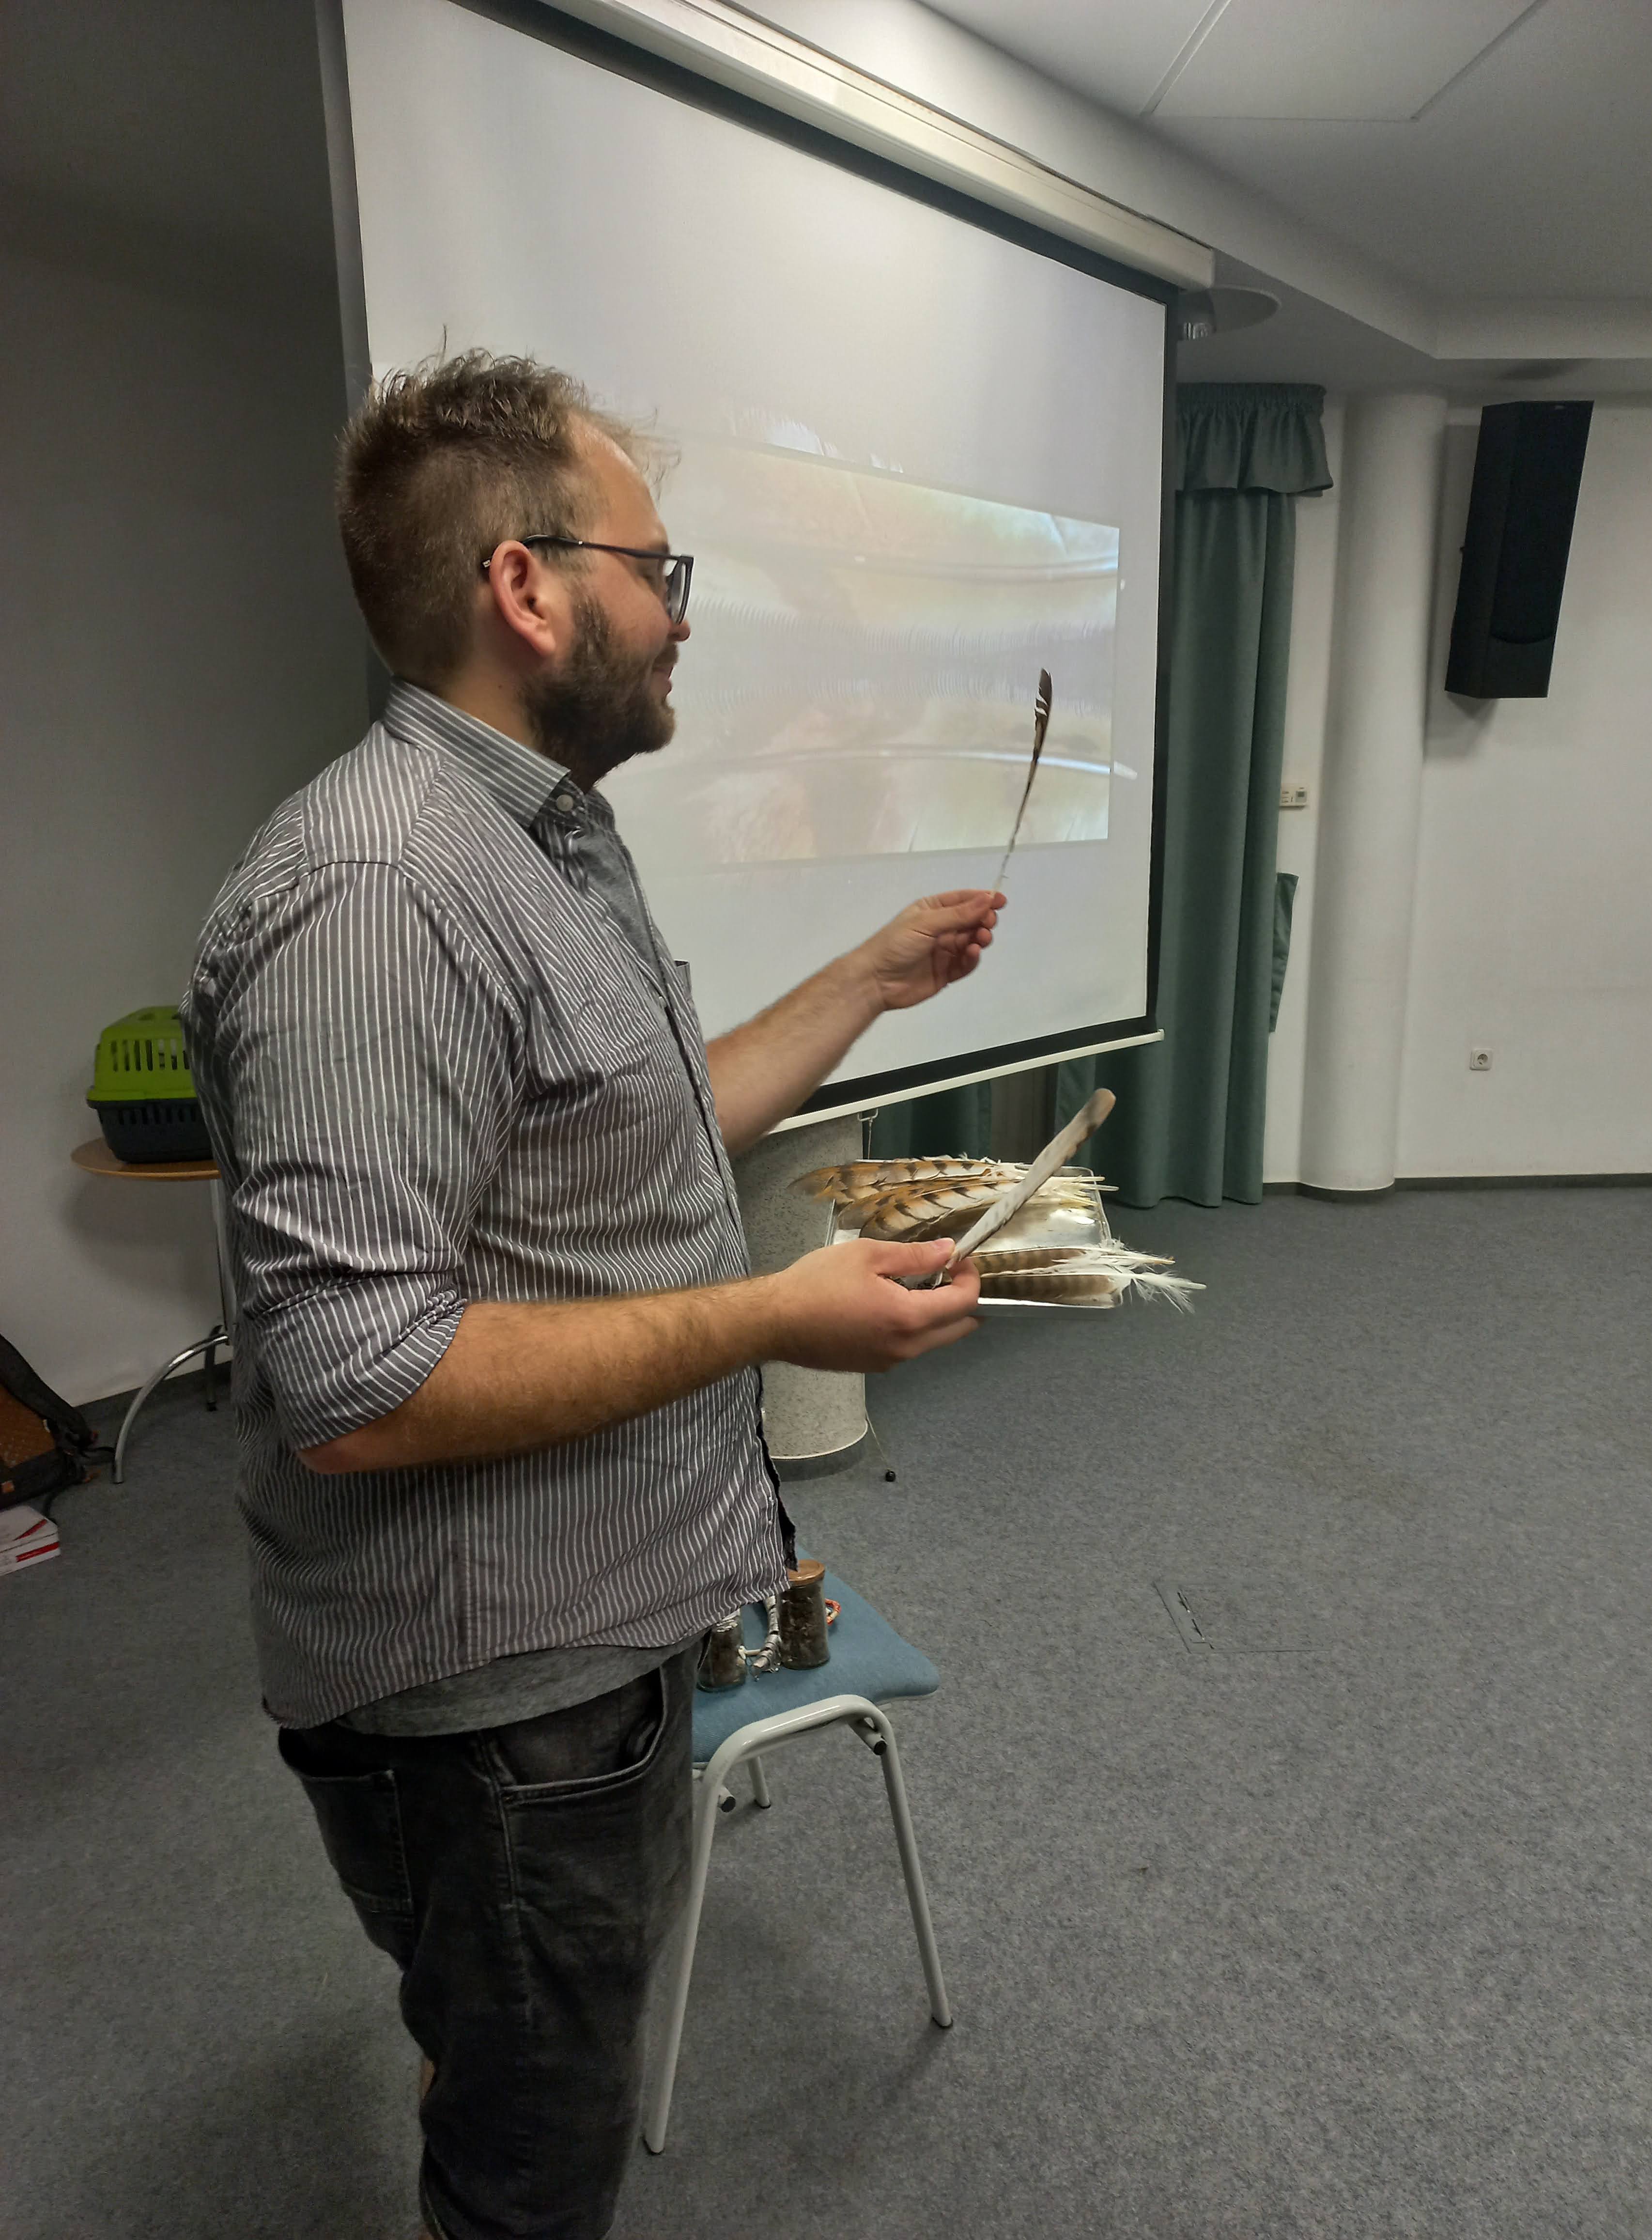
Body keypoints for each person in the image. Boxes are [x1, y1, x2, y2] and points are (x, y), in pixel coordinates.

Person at [181, 351, 1003, 2240]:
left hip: (589, 1645)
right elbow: (361, 1385)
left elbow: (638, 1137)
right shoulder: (378, 892)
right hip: (496, 1706)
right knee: (531, 2168)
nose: (683, 617)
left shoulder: (537, 832)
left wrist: (867, 979)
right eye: (660, 570)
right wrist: (773, 1316)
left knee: (513, 2058)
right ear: (528, 588)